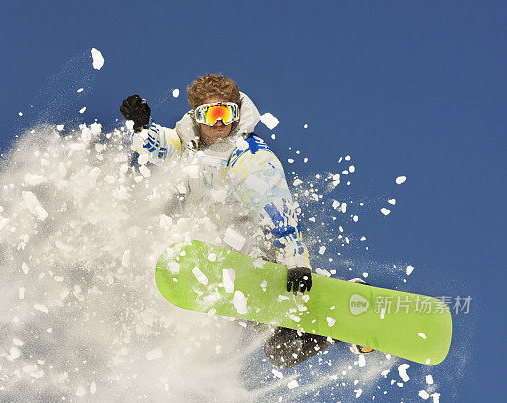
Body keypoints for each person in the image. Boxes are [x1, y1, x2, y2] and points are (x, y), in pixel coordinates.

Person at [120, 73, 368, 367]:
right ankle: (348, 323)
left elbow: (277, 207)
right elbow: (158, 146)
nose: (219, 122)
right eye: (210, 114)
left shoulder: (248, 155)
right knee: (283, 352)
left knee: (284, 346)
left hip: (257, 254)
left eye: (226, 112)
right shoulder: (190, 147)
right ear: (196, 117)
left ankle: (351, 302)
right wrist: (140, 126)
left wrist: (295, 259)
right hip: (228, 262)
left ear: (237, 113)